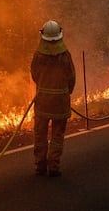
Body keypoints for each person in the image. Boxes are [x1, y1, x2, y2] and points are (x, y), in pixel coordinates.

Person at [30, 19, 76, 177]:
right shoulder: (65, 56)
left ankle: (40, 166)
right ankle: (54, 166)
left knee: (40, 134)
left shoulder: (38, 56)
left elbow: (34, 75)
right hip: (60, 102)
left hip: (43, 101)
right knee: (57, 135)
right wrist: (66, 92)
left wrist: (44, 86)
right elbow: (71, 77)